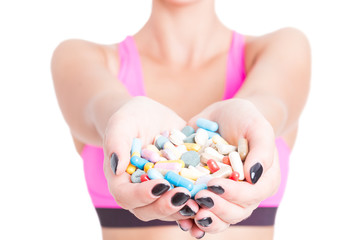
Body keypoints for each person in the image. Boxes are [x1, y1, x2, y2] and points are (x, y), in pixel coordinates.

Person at [51, 0, 311, 239]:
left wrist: (251, 116)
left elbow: (268, 99)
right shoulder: (79, 57)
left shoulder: (283, 48)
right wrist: (123, 115)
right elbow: (99, 104)